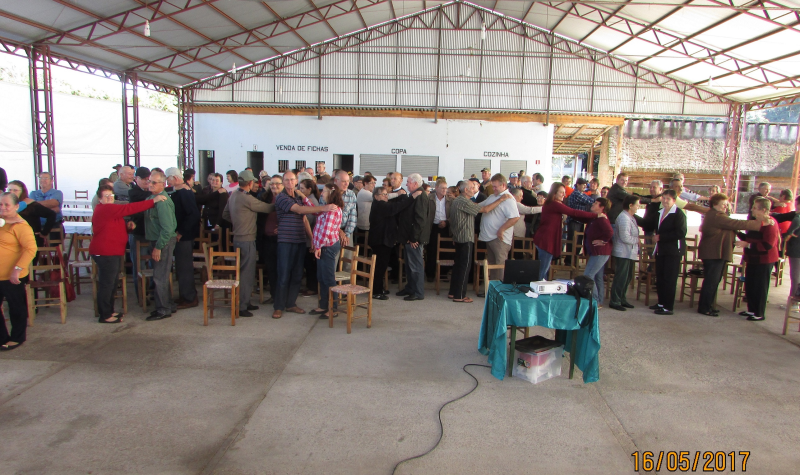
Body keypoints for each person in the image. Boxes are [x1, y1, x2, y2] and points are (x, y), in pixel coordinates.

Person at [91, 184, 166, 323]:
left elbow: (113, 229)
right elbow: (128, 208)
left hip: (112, 251)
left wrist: (128, 228)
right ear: (100, 199)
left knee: (112, 283)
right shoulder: (104, 208)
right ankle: (105, 315)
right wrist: (152, 201)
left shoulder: (110, 210)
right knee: (107, 284)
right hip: (105, 252)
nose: (109, 198)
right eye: (106, 196)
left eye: (111, 196)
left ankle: (109, 311)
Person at [271, 172, 336, 319]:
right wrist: (323, 208)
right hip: (286, 241)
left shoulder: (298, 197)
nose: (289, 182)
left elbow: (305, 219)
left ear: (296, 181)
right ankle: (279, 306)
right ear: (283, 183)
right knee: (283, 274)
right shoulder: (281, 197)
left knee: (297, 274)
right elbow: (299, 210)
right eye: (286, 180)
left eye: (292, 180)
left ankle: (291, 304)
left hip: (300, 240)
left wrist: (312, 239)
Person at [696, 193, 764, 317]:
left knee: (713, 281)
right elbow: (736, 224)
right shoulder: (717, 216)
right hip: (714, 253)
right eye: (723, 204)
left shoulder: (716, 215)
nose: (725, 207)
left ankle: (708, 305)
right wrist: (759, 224)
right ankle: (705, 307)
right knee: (711, 281)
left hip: (716, 253)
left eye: (726, 204)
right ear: (715, 204)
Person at [222, 170, 276, 316]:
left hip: (238, 237)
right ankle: (242, 306)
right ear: (250, 183)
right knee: (246, 273)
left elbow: (225, 214)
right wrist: (280, 201)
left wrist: (239, 222)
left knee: (244, 271)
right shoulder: (247, 199)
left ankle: (245, 302)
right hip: (247, 239)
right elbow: (267, 208)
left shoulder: (233, 195)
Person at [449, 180, 513, 302]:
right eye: (472, 187)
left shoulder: (459, 200)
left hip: (459, 237)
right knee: (464, 267)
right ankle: (459, 296)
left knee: (458, 266)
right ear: (466, 190)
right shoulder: (462, 201)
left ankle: (453, 292)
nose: (475, 189)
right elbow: (485, 209)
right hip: (465, 237)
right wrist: (500, 199)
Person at [533, 182, 598, 280]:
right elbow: (573, 212)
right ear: (554, 193)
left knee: (545, 269)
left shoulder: (553, 203)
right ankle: (537, 290)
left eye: (564, 192)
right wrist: (595, 215)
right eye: (561, 192)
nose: (564, 194)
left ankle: (541, 288)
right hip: (546, 239)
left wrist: (590, 219)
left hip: (546, 238)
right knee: (543, 270)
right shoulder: (554, 204)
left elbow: (573, 214)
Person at [0, 192, 37, 351]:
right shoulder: (2, 222)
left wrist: (17, 269)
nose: (3, 207)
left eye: (6, 205)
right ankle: (1, 337)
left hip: (12, 274)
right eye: (0, 204)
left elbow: (30, 248)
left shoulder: (21, 225)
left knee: (16, 306)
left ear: (16, 207)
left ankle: (17, 337)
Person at [736, 197, 780, 321]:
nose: (752, 210)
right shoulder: (755, 222)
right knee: (750, 285)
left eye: (755, 208)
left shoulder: (770, 223)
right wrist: (736, 231)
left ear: (764, 210)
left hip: (764, 260)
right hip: (753, 258)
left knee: (760, 286)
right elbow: (749, 237)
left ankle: (759, 312)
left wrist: (747, 244)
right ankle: (751, 309)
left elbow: (767, 245)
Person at [368, 187, 414, 300]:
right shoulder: (380, 205)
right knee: (379, 267)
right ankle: (376, 292)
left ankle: (378, 288)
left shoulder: (382, 205)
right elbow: (395, 207)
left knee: (382, 266)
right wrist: (411, 198)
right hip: (380, 241)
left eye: (386, 194)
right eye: (383, 194)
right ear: (376, 197)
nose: (385, 196)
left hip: (384, 240)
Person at [165, 167, 201, 310]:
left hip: (184, 236)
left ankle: (189, 297)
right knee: (181, 267)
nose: (167, 181)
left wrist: (181, 232)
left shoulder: (184, 192)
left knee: (184, 267)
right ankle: (184, 294)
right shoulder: (178, 191)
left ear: (174, 178)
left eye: (168, 178)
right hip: (181, 235)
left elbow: (193, 215)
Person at [144, 170, 178, 321]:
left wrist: (158, 246)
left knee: (160, 276)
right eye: (149, 181)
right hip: (157, 240)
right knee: (161, 275)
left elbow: (168, 228)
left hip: (162, 242)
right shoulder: (153, 198)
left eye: (154, 182)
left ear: (163, 184)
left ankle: (163, 309)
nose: (150, 184)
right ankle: (167, 305)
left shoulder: (162, 201)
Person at [308, 183, 344, 318]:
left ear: (331, 193)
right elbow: (313, 210)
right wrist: (303, 197)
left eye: (324, 191)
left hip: (327, 246)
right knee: (322, 277)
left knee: (328, 278)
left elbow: (326, 232)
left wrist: (318, 246)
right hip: (322, 246)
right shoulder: (326, 207)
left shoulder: (333, 210)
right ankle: (323, 305)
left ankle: (333, 308)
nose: (322, 193)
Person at [396, 173, 432, 301]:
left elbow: (420, 219)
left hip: (414, 238)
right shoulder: (415, 195)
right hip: (410, 236)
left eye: (408, 182)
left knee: (415, 266)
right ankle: (410, 288)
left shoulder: (420, 196)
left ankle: (417, 292)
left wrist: (414, 238)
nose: (406, 184)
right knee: (410, 265)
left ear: (415, 184)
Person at [651, 189, 687, 316]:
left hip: (672, 251)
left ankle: (668, 306)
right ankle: (661, 302)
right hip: (661, 250)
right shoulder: (660, 212)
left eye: (668, 199)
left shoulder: (678, 214)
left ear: (674, 200)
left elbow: (680, 232)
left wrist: (661, 237)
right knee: (660, 277)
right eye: (664, 198)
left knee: (669, 278)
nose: (665, 201)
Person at [479, 174, 520, 281]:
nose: (493, 189)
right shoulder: (492, 196)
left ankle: (501, 289)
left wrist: (501, 229)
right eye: (493, 186)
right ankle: (492, 288)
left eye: (495, 186)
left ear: (503, 185)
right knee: (492, 265)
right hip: (489, 237)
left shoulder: (508, 199)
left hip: (500, 239)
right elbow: (480, 207)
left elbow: (515, 217)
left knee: (500, 265)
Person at [609, 196, 640, 311]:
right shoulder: (623, 218)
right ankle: (615, 300)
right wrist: (637, 240)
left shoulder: (630, 217)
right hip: (623, 252)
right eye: (637, 204)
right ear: (630, 205)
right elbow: (625, 237)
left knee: (627, 277)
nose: (638, 207)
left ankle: (622, 298)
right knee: (621, 277)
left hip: (629, 252)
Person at [582, 198, 613, 305]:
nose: (593, 204)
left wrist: (603, 241)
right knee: (597, 276)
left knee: (588, 275)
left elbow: (609, 232)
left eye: (596, 203)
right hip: (596, 252)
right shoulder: (595, 218)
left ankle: (595, 300)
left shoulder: (602, 219)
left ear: (602, 208)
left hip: (600, 252)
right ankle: (599, 300)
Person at [7, 180, 55, 248]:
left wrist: (44, 232)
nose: (11, 192)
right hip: (11, 239)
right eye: (9, 190)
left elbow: (51, 214)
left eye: (15, 190)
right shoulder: (4, 206)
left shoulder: (30, 204)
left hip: (30, 240)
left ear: (22, 192)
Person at [127, 167, 151, 301]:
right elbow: (146, 198)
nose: (147, 182)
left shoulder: (149, 192)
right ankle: (141, 296)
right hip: (138, 233)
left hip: (151, 233)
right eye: (145, 180)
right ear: (137, 179)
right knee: (139, 266)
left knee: (153, 264)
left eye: (149, 180)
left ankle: (152, 292)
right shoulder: (133, 192)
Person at [425, 178, 452, 282]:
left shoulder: (450, 200)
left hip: (446, 226)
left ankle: (443, 274)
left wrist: (447, 222)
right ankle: (430, 274)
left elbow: (453, 215)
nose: (444, 190)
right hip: (433, 227)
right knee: (431, 250)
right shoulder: (429, 198)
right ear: (436, 188)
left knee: (445, 251)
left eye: (446, 188)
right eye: (442, 188)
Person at [297, 179, 320, 298]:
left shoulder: (311, 201)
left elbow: (309, 220)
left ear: (309, 189)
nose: (300, 191)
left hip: (309, 236)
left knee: (310, 264)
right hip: (307, 236)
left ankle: (312, 287)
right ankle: (310, 286)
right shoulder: (307, 199)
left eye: (302, 188)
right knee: (308, 263)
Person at [565, 177, 595, 261]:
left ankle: (574, 260)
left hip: (580, 220)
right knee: (573, 241)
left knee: (578, 241)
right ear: (578, 185)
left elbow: (589, 199)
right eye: (583, 185)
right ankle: (569, 260)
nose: (584, 187)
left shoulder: (582, 193)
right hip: (574, 220)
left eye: (585, 185)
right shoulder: (576, 193)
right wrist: (597, 202)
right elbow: (590, 201)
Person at [785, 195, 800, 312]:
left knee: (795, 277)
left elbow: (788, 234)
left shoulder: (797, 218)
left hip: (796, 250)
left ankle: (794, 302)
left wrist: (786, 236)